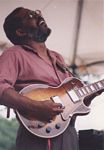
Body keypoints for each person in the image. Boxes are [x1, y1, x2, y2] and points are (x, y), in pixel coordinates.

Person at [0, 7, 103, 150]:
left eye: (37, 12)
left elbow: (70, 103)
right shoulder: (14, 54)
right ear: (20, 31)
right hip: (38, 134)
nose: (38, 15)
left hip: (68, 132)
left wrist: (87, 96)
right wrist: (36, 106)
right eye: (31, 15)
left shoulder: (58, 58)